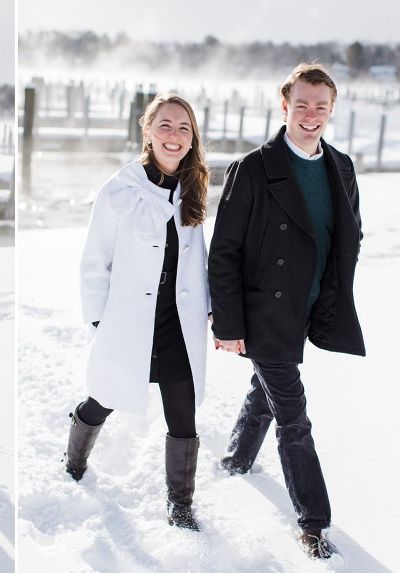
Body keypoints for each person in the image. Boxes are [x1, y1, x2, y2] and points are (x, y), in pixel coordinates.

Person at [208, 63, 365, 560]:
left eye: (321, 106)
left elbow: (349, 235)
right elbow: (225, 249)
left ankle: (235, 459)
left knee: (268, 386)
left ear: (332, 109)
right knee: (293, 415)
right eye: (301, 105)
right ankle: (313, 523)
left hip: (311, 305)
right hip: (264, 312)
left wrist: (334, 295)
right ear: (284, 106)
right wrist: (228, 322)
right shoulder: (254, 167)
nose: (311, 115)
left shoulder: (341, 166)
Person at [66, 94, 211, 531]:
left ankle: (180, 504)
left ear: (192, 139)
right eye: (165, 125)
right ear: (147, 131)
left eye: (183, 128)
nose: (174, 135)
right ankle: (74, 460)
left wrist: (208, 310)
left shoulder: (193, 189)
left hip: (177, 325)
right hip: (129, 321)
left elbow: (197, 261)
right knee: (104, 397)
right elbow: (95, 264)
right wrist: (99, 322)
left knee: (182, 412)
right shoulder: (119, 192)